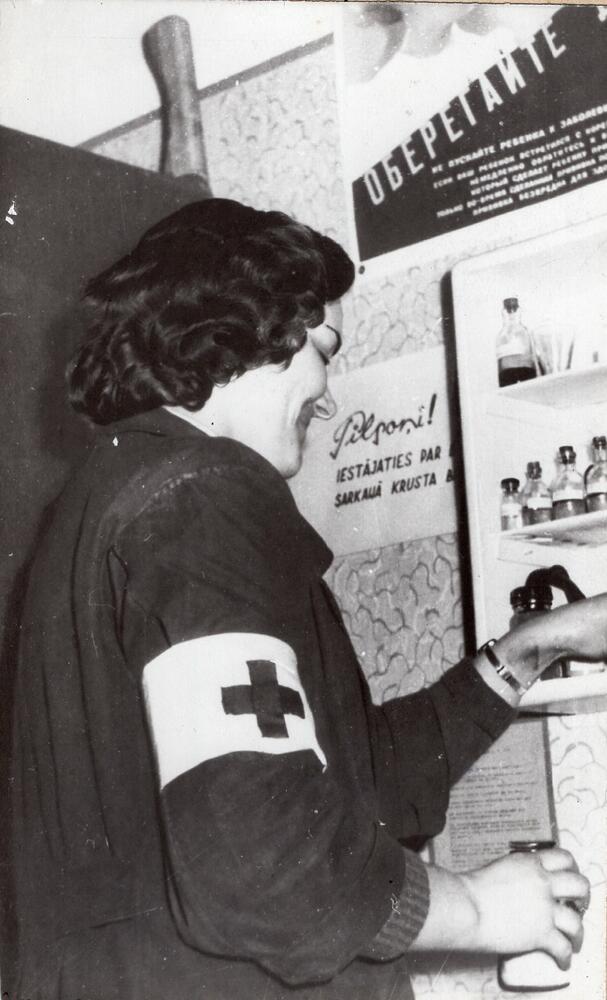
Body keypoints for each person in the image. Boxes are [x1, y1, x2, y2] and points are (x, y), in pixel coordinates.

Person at [8, 198, 599, 1000]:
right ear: (237, 332)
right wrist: (477, 910)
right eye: (322, 350)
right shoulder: (202, 495)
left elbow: (357, 779)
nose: (325, 394)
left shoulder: (114, 500)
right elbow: (266, 864)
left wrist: (532, 645)